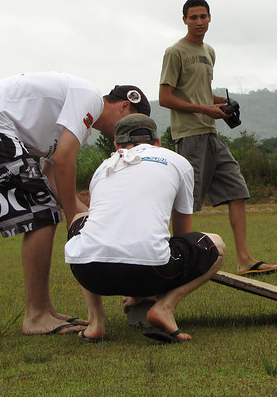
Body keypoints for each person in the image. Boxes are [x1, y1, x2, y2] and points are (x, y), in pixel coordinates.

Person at [0, 71, 150, 335]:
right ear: (124, 105)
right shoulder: (89, 97)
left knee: (44, 208)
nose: (128, 133)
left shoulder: (79, 124)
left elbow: (51, 178)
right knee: (43, 214)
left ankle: (45, 310)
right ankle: (36, 315)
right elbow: (65, 159)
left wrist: (89, 217)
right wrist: (73, 219)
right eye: (131, 122)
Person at [65, 114, 225, 343]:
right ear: (158, 142)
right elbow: (182, 235)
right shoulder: (177, 161)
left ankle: (96, 321)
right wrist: (148, 287)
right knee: (216, 244)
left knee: (81, 219)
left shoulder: (103, 168)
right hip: (153, 272)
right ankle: (164, 308)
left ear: (116, 145)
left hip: (89, 273)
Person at [159, 0, 277, 276]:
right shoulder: (175, 52)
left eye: (203, 16)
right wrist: (203, 108)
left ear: (210, 18)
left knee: (237, 190)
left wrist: (221, 104)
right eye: (193, 17)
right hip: (190, 135)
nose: (199, 22)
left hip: (211, 133)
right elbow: (165, 97)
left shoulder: (209, 52)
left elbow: (198, 91)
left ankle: (245, 260)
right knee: (186, 201)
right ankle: (176, 262)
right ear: (184, 20)